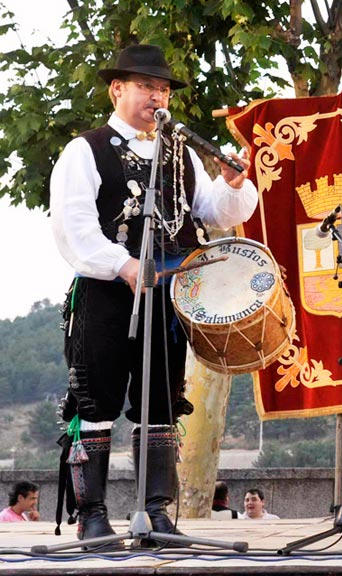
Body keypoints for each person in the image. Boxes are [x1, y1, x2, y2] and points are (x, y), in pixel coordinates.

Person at [49, 44, 257, 549]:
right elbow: (73, 226)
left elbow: (215, 213)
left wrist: (232, 186)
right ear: (117, 89)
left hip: (169, 293)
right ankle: (92, 516)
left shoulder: (181, 152)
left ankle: (156, 511)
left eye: (162, 88)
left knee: (160, 402)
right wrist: (123, 265)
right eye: (146, 86)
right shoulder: (86, 149)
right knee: (94, 401)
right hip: (105, 293)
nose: (156, 96)